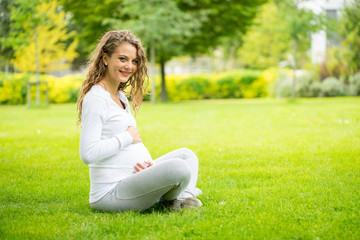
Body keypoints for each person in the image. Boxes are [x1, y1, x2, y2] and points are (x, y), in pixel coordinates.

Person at [76, 30, 202, 212]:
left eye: (134, 61)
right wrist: (126, 137)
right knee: (179, 168)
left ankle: (178, 198)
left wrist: (148, 169)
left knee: (186, 155)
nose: (129, 66)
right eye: (122, 59)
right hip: (111, 193)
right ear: (105, 58)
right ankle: (178, 197)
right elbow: (88, 154)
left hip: (133, 178)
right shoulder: (96, 98)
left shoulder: (119, 96)